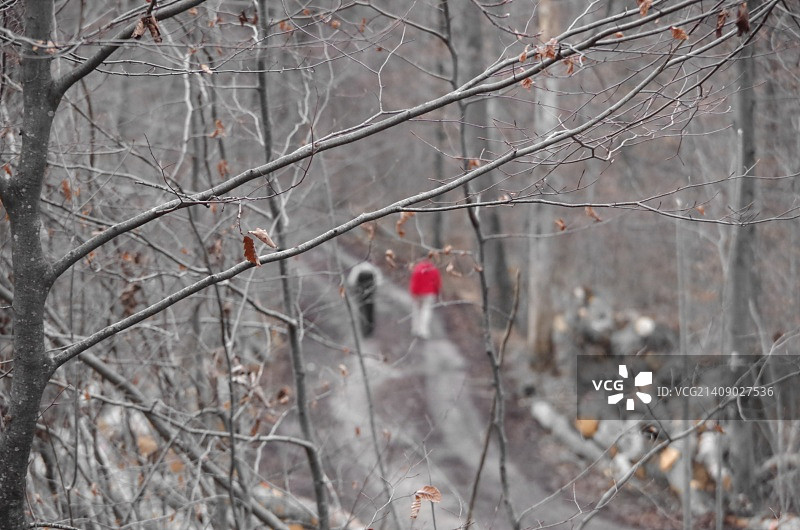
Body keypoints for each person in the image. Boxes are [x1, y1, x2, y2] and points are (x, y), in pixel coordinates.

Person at [347, 262, 381, 337]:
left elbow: (351, 281)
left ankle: (363, 328)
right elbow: (378, 281)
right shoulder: (373, 268)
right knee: (370, 311)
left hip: (360, 293)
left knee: (361, 310)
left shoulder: (357, 268)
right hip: (370, 294)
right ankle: (370, 329)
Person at [409, 260, 441, 339]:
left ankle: (415, 328)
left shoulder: (418, 268)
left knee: (416, 310)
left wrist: (413, 292)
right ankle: (423, 330)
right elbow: (437, 282)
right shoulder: (434, 269)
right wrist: (437, 292)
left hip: (418, 293)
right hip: (429, 293)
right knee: (426, 311)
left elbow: (414, 282)